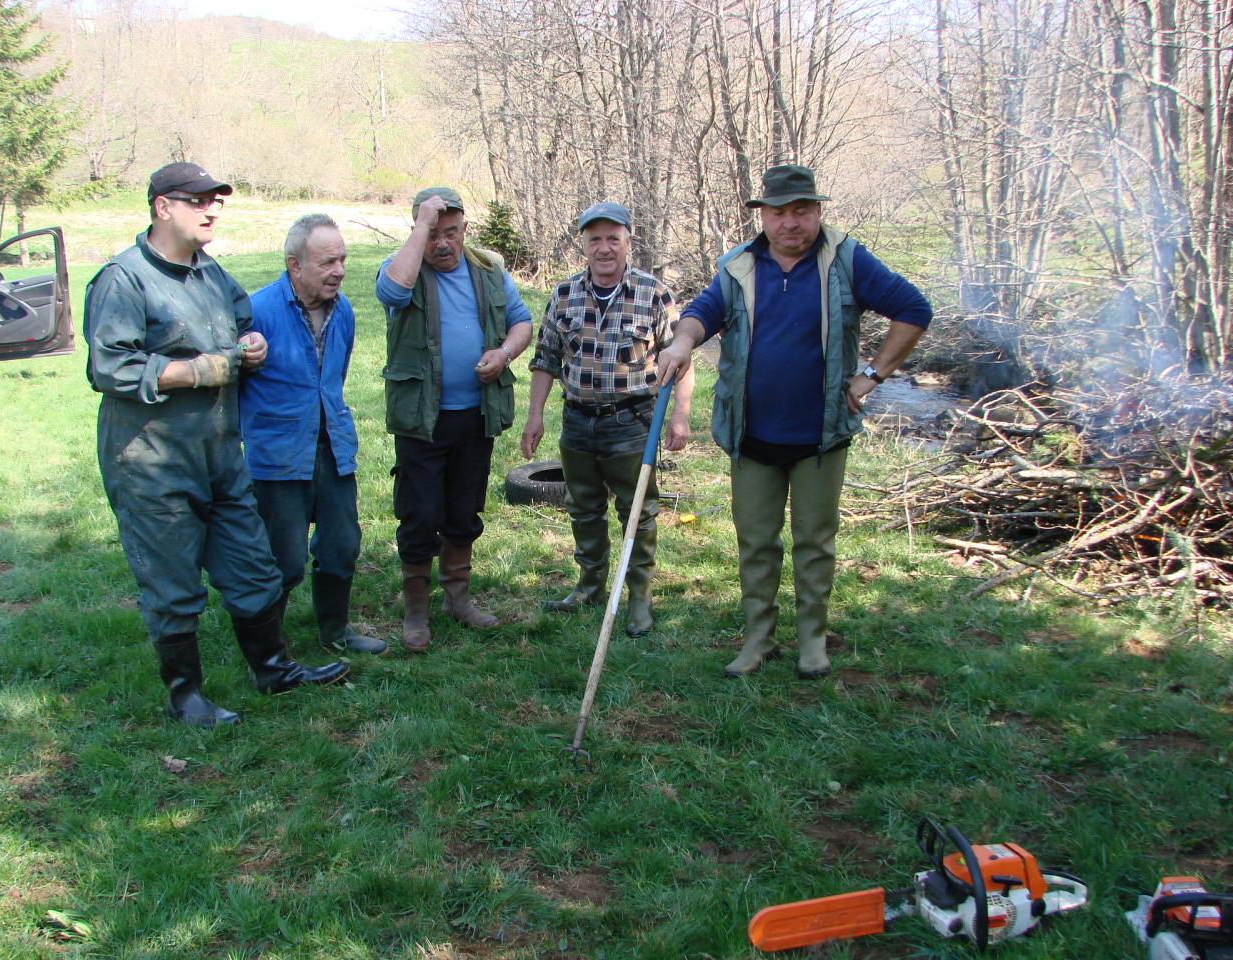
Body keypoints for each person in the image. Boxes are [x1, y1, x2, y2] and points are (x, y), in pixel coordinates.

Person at [84, 162, 348, 727]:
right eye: (199, 201)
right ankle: (187, 697)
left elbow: (241, 316)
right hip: (152, 461)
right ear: (162, 207)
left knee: (254, 567)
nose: (212, 210)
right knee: (173, 582)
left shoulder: (209, 273)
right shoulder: (124, 279)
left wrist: (248, 343)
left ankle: (272, 668)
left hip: (220, 454)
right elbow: (109, 367)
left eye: (217, 201)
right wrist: (197, 370)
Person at [656, 164, 932, 679]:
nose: (790, 223)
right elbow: (702, 313)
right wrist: (680, 341)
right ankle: (758, 639)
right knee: (756, 542)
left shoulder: (847, 260)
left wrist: (872, 373)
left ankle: (812, 640)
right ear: (762, 216)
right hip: (753, 434)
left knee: (814, 542)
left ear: (818, 212)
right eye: (778, 212)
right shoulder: (738, 267)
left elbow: (913, 309)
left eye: (800, 211)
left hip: (821, 435)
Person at [521, 202, 694, 636]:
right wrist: (535, 416)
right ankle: (590, 583)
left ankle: (638, 595)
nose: (603, 248)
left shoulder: (654, 294)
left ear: (628, 242)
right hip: (577, 420)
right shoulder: (563, 296)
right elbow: (546, 360)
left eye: (612, 239)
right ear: (583, 244)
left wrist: (681, 417)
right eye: (594, 239)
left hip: (631, 421)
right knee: (582, 507)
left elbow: (682, 361)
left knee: (637, 511)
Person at [375, 187, 533, 653]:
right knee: (420, 514)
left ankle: (458, 599)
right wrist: (419, 228)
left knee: (464, 512)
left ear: (465, 230)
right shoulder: (402, 266)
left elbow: (522, 323)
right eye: (432, 234)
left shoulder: (488, 270)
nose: (442, 244)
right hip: (421, 420)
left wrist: (503, 353)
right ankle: (416, 610)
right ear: (418, 232)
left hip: (475, 416)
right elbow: (390, 292)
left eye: (451, 233)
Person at [240, 214, 386, 656]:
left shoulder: (344, 311)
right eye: (327, 262)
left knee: (342, 545)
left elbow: (333, 379)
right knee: (282, 559)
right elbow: (234, 386)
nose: (339, 270)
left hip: (334, 448)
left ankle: (335, 632)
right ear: (294, 265)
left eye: (342, 260)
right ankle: (270, 649)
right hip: (279, 456)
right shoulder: (257, 311)